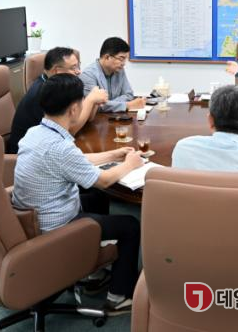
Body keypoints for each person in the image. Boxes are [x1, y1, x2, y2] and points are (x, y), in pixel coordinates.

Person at [12, 74, 144, 315]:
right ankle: (119, 297)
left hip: (32, 217)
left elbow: (75, 160)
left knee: (98, 199)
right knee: (130, 226)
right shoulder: (60, 147)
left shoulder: (36, 132)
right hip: (56, 227)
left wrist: (112, 155)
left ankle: (93, 270)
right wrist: (129, 164)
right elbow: (104, 180)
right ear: (74, 109)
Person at [7, 47, 108, 154]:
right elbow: (70, 130)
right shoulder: (45, 93)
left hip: (49, 146)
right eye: (73, 68)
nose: (78, 72)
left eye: (78, 66)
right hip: (27, 154)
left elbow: (86, 118)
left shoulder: (61, 87)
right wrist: (91, 99)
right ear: (57, 71)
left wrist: (95, 102)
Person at [80, 37, 146, 113]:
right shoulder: (88, 75)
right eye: (121, 59)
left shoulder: (119, 70)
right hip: (97, 119)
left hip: (115, 116)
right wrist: (127, 105)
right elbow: (94, 106)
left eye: (125, 59)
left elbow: (129, 94)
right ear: (107, 57)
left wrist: (109, 104)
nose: (124, 63)